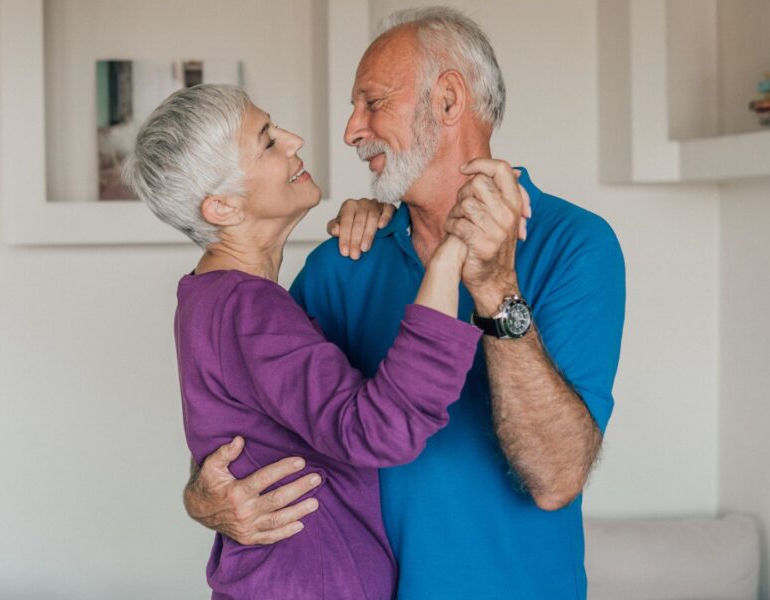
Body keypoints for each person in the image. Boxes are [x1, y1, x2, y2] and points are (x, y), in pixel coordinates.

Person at [184, 7, 626, 599]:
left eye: (371, 102)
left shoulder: (576, 244)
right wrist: (203, 496)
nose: (350, 131)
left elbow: (556, 480)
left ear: (447, 100)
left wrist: (496, 288)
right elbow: (259, 419)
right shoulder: (341, 262)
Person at [123, 83, 507, 598]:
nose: (293, 139)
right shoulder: (246, 309)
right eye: (266, 142)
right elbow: (379, 430)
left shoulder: (211, 298)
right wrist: (448, 257)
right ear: (222, 208)